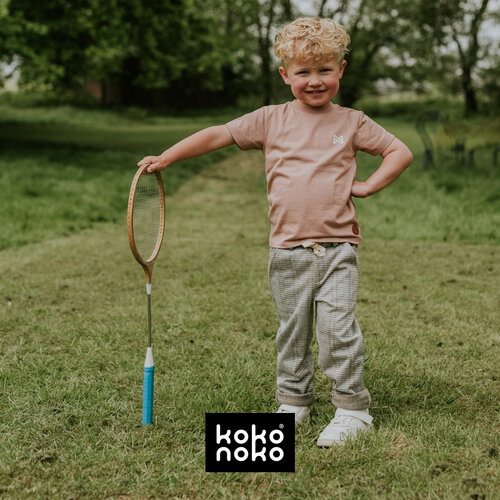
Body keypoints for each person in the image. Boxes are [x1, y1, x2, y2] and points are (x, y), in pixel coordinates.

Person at [138, 17, 413, 447]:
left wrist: (367, 186)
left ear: (341, 69)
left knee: (337, 330)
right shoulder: (270, 119)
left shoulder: (353, 122)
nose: (315, 80)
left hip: (338, 248)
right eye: (303, 72)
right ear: (285, 74)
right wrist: (169, 157)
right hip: (286, 250)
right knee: (293, 330)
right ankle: (294, 400)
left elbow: (399, 150)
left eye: (325, 70)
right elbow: (219, 134)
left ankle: (352, 409)